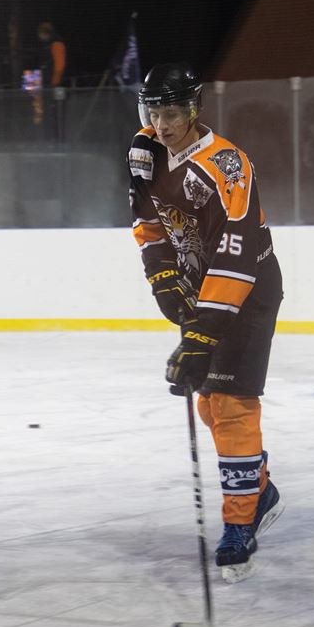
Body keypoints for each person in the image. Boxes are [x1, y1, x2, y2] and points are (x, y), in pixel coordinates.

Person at [128, 63, 284, 582]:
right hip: (201, 289)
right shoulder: (145, 150)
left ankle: (240, 521)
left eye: (173, 112)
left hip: (247, 291)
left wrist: (199, 335)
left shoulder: (228, 167)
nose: (163, 124)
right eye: (155, 112)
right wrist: (163, 279)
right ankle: (259, 488)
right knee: (209, 403)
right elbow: (148, 222)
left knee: (233, 405)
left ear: (193, 109)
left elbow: (235, 262)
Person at [33, 22, 67, 129]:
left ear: (46, 33)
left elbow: (60, 66)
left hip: (53, 85)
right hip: (46, 84)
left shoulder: (56, 44)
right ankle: (49, 134)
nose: (40, 37)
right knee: (47, 114)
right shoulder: (46, 46)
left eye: (41, 34)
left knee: (55, 113)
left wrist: (54, 83)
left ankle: (56, 136)